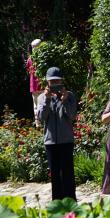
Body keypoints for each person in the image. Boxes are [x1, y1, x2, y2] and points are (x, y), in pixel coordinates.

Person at [36, 67, 77, 201]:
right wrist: (47, 100)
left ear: (61, 81)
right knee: (55, 176)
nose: (54, 84)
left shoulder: (69, 95)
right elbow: (41, 118)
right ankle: (57, 204)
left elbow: (71, 116)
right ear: (47, 82)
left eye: (57, 81)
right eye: (52, 82)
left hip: (66, 140)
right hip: (51, 142)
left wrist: (65, 100)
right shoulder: (42, 97)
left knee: (68, 174)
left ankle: (71, 203)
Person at [26, 39, 42, 127]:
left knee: (36, 106)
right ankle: (43, 123)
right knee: (43, 104)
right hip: (42, 86)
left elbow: (28, 70)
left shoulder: (30, 59)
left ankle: (38, 124)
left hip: (33, 86)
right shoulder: (43, 57)